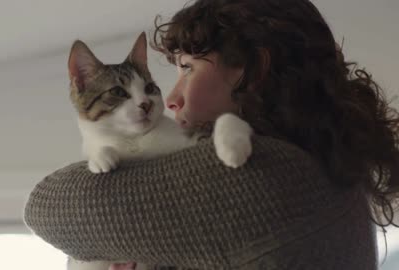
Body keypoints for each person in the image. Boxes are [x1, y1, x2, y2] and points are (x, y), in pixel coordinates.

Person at [24, 0, 399, 269]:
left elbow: (48, 209)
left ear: (254, 70)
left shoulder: (268, 172)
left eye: (188, 68)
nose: (170, 97)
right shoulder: (323, 171)